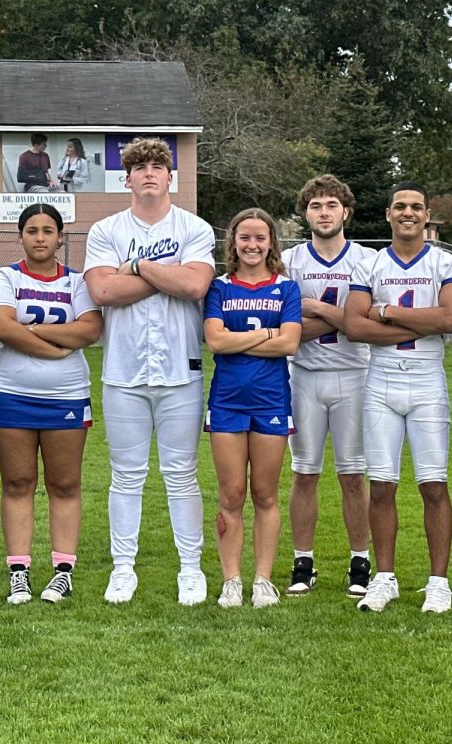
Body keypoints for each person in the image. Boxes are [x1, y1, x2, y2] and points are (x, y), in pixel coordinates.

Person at [83, 136, 215, 606]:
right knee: (126, 475)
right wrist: (166, 277)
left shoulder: (195, 228)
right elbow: (102, 292)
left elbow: (196, 282)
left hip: (181, 369)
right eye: (140, 168)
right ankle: (123, 569)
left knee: (182, 474)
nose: (149, 174)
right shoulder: (104, 230)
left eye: (158, 166)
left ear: (170, 176)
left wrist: (136, 266)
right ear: (128, 179)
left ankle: (191, 569)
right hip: (123, 370)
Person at [343, 182, 452, 613]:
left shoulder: (445, 262)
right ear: (388, 214)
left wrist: (389, 312)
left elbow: (449, 319)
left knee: (433, 484)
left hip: (427, 380)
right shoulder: (371, 264)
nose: (408, 213)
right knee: (381, 486)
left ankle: (438, 581)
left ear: (426, 214)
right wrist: (422, 324)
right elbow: (355, 327)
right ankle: (385, 577)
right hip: (382, 380)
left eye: (416, 206)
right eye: (400, 206)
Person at [0, 204, 102, 604]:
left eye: (47, 230)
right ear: (20, 236)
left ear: (60, 237)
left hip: (66, 396)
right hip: (10, 393)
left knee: (64, 483)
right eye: (31, 230)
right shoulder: (5, 276)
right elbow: (1, 327)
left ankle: (62, 571)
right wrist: (53, 348)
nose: (39, 237)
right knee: (17, 482)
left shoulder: (77, 282)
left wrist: (29, 329)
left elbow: (90, 329)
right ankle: (19, 571)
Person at [280, 175, 376, 598]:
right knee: (304, 473)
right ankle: (304, 560)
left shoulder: (367, 260)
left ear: (346, 212)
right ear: (306, 213)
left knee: (353, 475)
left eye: (331, 205)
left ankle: (360, 559)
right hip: (303, 374)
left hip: (355, 374)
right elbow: (283, 326)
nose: (324, 212)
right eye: (316, 205)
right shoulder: (288, 261)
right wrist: (340, 317)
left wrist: (315, 308)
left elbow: (366, 326)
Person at [205, 208, 302, 608]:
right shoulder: (219, 288)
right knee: (231, 493)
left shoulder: (286, 289)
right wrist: (266, 332)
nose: (252, 245)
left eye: (260, 238)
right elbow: (215, 342)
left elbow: (289, 344)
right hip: (227, 400)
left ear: (271, 243)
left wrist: (238, 337)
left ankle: (262, 579)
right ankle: (232, 580)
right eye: (245, 237)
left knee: (264, 493)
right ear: (234, 241)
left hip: (271, 400)